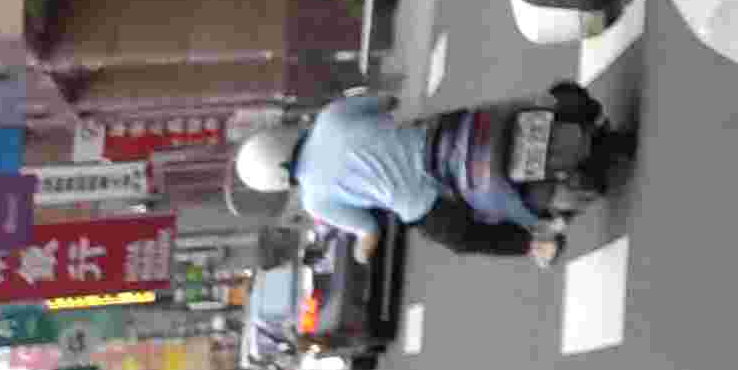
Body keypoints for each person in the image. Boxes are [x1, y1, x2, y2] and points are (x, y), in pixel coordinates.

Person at [236, 89, 552, 264]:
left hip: (425, 202)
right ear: (279, 137)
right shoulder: (329, 117)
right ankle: (539, 104)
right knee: (476, 113)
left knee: (462, 240)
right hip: (435, 137)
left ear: (274, 181)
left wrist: (362, 252)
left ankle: (534, 244)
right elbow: (388, 101)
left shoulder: (315, 201)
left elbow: (368, 229)